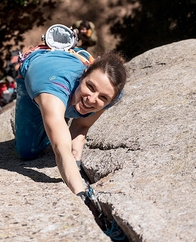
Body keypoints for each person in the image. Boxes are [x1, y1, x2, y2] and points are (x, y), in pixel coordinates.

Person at [14, 25, 127, 240]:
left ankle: (59, 109)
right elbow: (60, 150)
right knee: (27, 151)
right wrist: (82, 195)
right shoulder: (51, 85)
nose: (93, 100)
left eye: (103, 97)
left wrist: (76, 162)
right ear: (83, 75)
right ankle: (54, 111)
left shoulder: (111, 95)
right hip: (39, 68)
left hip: (68, 73)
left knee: (69, 116)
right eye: (90, 87)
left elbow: (81, 125)